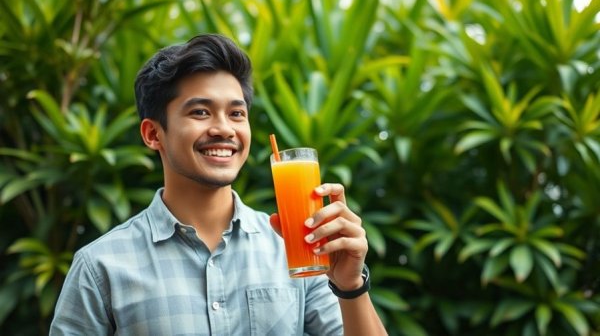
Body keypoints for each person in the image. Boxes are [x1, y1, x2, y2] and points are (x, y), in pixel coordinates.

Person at [50, 34, 387, 335]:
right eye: (200, 112)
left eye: (236, 114)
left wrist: (350, 285)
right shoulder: (101, 267)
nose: (224, 129)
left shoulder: (297, 249)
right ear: (154, 134)